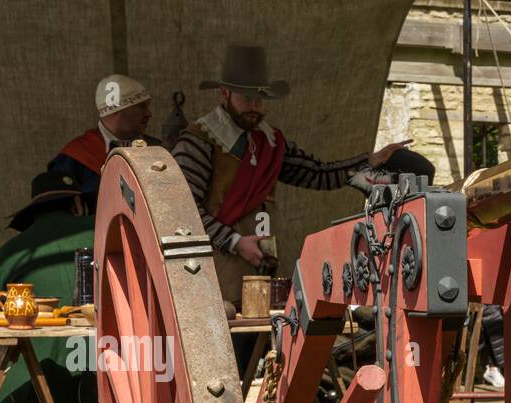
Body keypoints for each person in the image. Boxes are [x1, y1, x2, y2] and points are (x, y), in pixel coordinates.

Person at [172, 44, 435, 315]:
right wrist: (235, 241)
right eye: (247, 97)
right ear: (224, 93)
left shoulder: (269, 142)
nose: (255, 106)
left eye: (260, 99)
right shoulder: (198, 142)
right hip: (213, 268)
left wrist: (368, 162)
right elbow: (183, 211)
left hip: (258, 271)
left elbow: (316, 173)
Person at [0, 173, 97, 403]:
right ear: (78, 205)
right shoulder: (101, 229)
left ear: (33, 214)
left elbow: (1, 336)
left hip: (32, 399)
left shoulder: (6, 255)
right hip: (101, 388)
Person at [49, 75, 156, 209]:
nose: (149, 113)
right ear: (117, 110)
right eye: (141, 106)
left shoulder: (157, 149)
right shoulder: (74, 159)